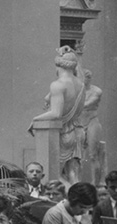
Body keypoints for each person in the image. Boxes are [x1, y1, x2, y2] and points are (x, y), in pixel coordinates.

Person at [29, 47, 87, 184]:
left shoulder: (58, 85)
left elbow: (56, 113)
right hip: (78, 131)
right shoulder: (81, 84)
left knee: (55, 176)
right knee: (74, 176)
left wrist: (35, 119)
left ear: (58, 65)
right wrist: (72, 52)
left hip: (64, 133)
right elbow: (80, 72)